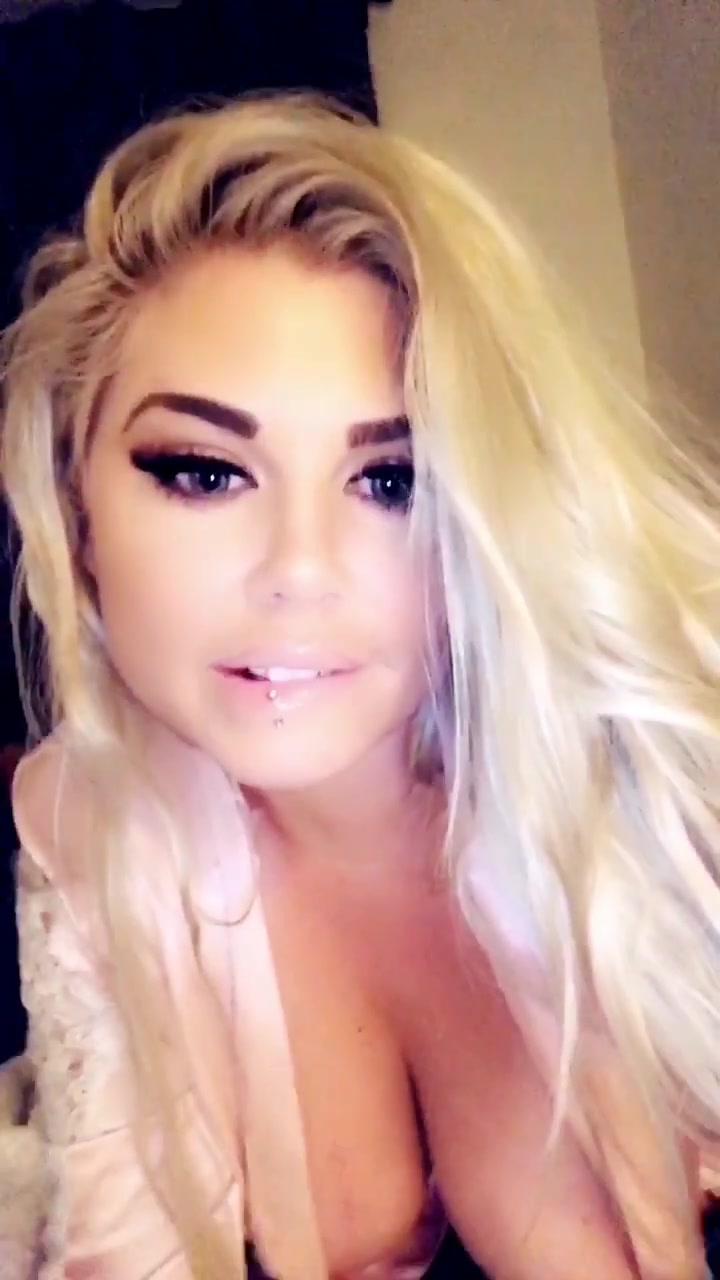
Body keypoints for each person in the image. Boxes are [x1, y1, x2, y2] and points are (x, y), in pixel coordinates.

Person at [1, 95, 718, 1280]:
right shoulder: (93, 823)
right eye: (204, 471)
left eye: (393, 481)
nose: (300, 569)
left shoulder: (660, 773)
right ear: (78, 512)